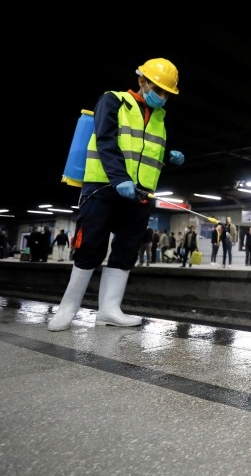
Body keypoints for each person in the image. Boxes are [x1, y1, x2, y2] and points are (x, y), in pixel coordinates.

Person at [47, 58, 184, 331]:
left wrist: (168, 156)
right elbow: (106, 140)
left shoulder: (159, 118)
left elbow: (144, 151)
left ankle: (109, 310)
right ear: (141, 80)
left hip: (140, 195)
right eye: (157, 88)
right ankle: (68, 308)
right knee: (90, 247)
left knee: (126, 249)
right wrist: (120, 178)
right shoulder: (113, 101)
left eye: (166, 92)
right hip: (103, 187)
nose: (162, 96)